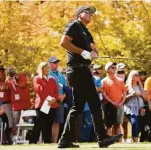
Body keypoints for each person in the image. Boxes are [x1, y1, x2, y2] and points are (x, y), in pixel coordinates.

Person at [58, 6, 122, 148]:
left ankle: (64, 140)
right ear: (79, 14)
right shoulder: (74, 25)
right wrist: (82, 52)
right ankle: (102, 138)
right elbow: (63, 42)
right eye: (87, 12)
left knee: (78, 107)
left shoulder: (86, 31)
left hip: (82, 70)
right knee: (94, 103)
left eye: (92, 13)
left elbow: (93, 48)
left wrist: (93, 53)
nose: (91, 15)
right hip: (77, 70)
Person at [30, 62, 59, 144]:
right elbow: (38, 90)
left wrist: (54, 98)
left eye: (48, 67)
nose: (47, 69)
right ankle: (33, 141)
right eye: (45, 67)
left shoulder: (52, 79)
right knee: (39, 123)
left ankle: (47, 141)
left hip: (52, 105)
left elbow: (56, 91)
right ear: (41, 69)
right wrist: (48, 99)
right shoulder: (37, 78)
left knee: (49, 124)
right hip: (41, 104)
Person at [5, 67, 31, 138]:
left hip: (25, 103)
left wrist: (16, 83)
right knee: (15, 120)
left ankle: (29, 135)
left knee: (28, 120)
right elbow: (4, 89)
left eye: (13, 74)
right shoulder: (9, 81)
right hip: (16, 105)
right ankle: (14, 135)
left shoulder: (22, 77)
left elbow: (23, 85)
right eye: (10, 75)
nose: (12, 76)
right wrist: (6, 81)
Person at [102, 62, 126, 137]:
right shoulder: (104, 81)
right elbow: (104, 94)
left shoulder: (120, 80)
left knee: (118, 124)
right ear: (107, 70)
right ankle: (108, 139)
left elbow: (124, 93)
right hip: (109, 105)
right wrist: (112, 102)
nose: (115, 68)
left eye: (115, 67)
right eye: (112, 67)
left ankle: (119, 141)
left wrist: (122, 102)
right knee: (108, 125)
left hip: (120, 105)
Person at [124, 70, 149, 143]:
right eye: (136, 75)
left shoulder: (140, 86)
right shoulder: (127, 86)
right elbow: (123, 98)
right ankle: (135, 140)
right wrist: (132, 94)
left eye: (138, 75)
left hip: (140, 108)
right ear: (131, 76)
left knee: (140, 124)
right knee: (134, 122)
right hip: (130, 108)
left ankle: (135, 140)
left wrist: (142, 94)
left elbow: (145, 98)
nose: (138, 76)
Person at [48, 56, 67, 143]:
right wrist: (55, 96)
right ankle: (47, 141)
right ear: (49, 64)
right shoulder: (47, 74)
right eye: (54, 63)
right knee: (49, 122)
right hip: (50, 101)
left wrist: (63, 95)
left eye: (57, 63)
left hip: (60, 101)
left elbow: (66, 88)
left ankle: (54, 142)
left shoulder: (61, 75)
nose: (56, 64)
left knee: (57, 122)